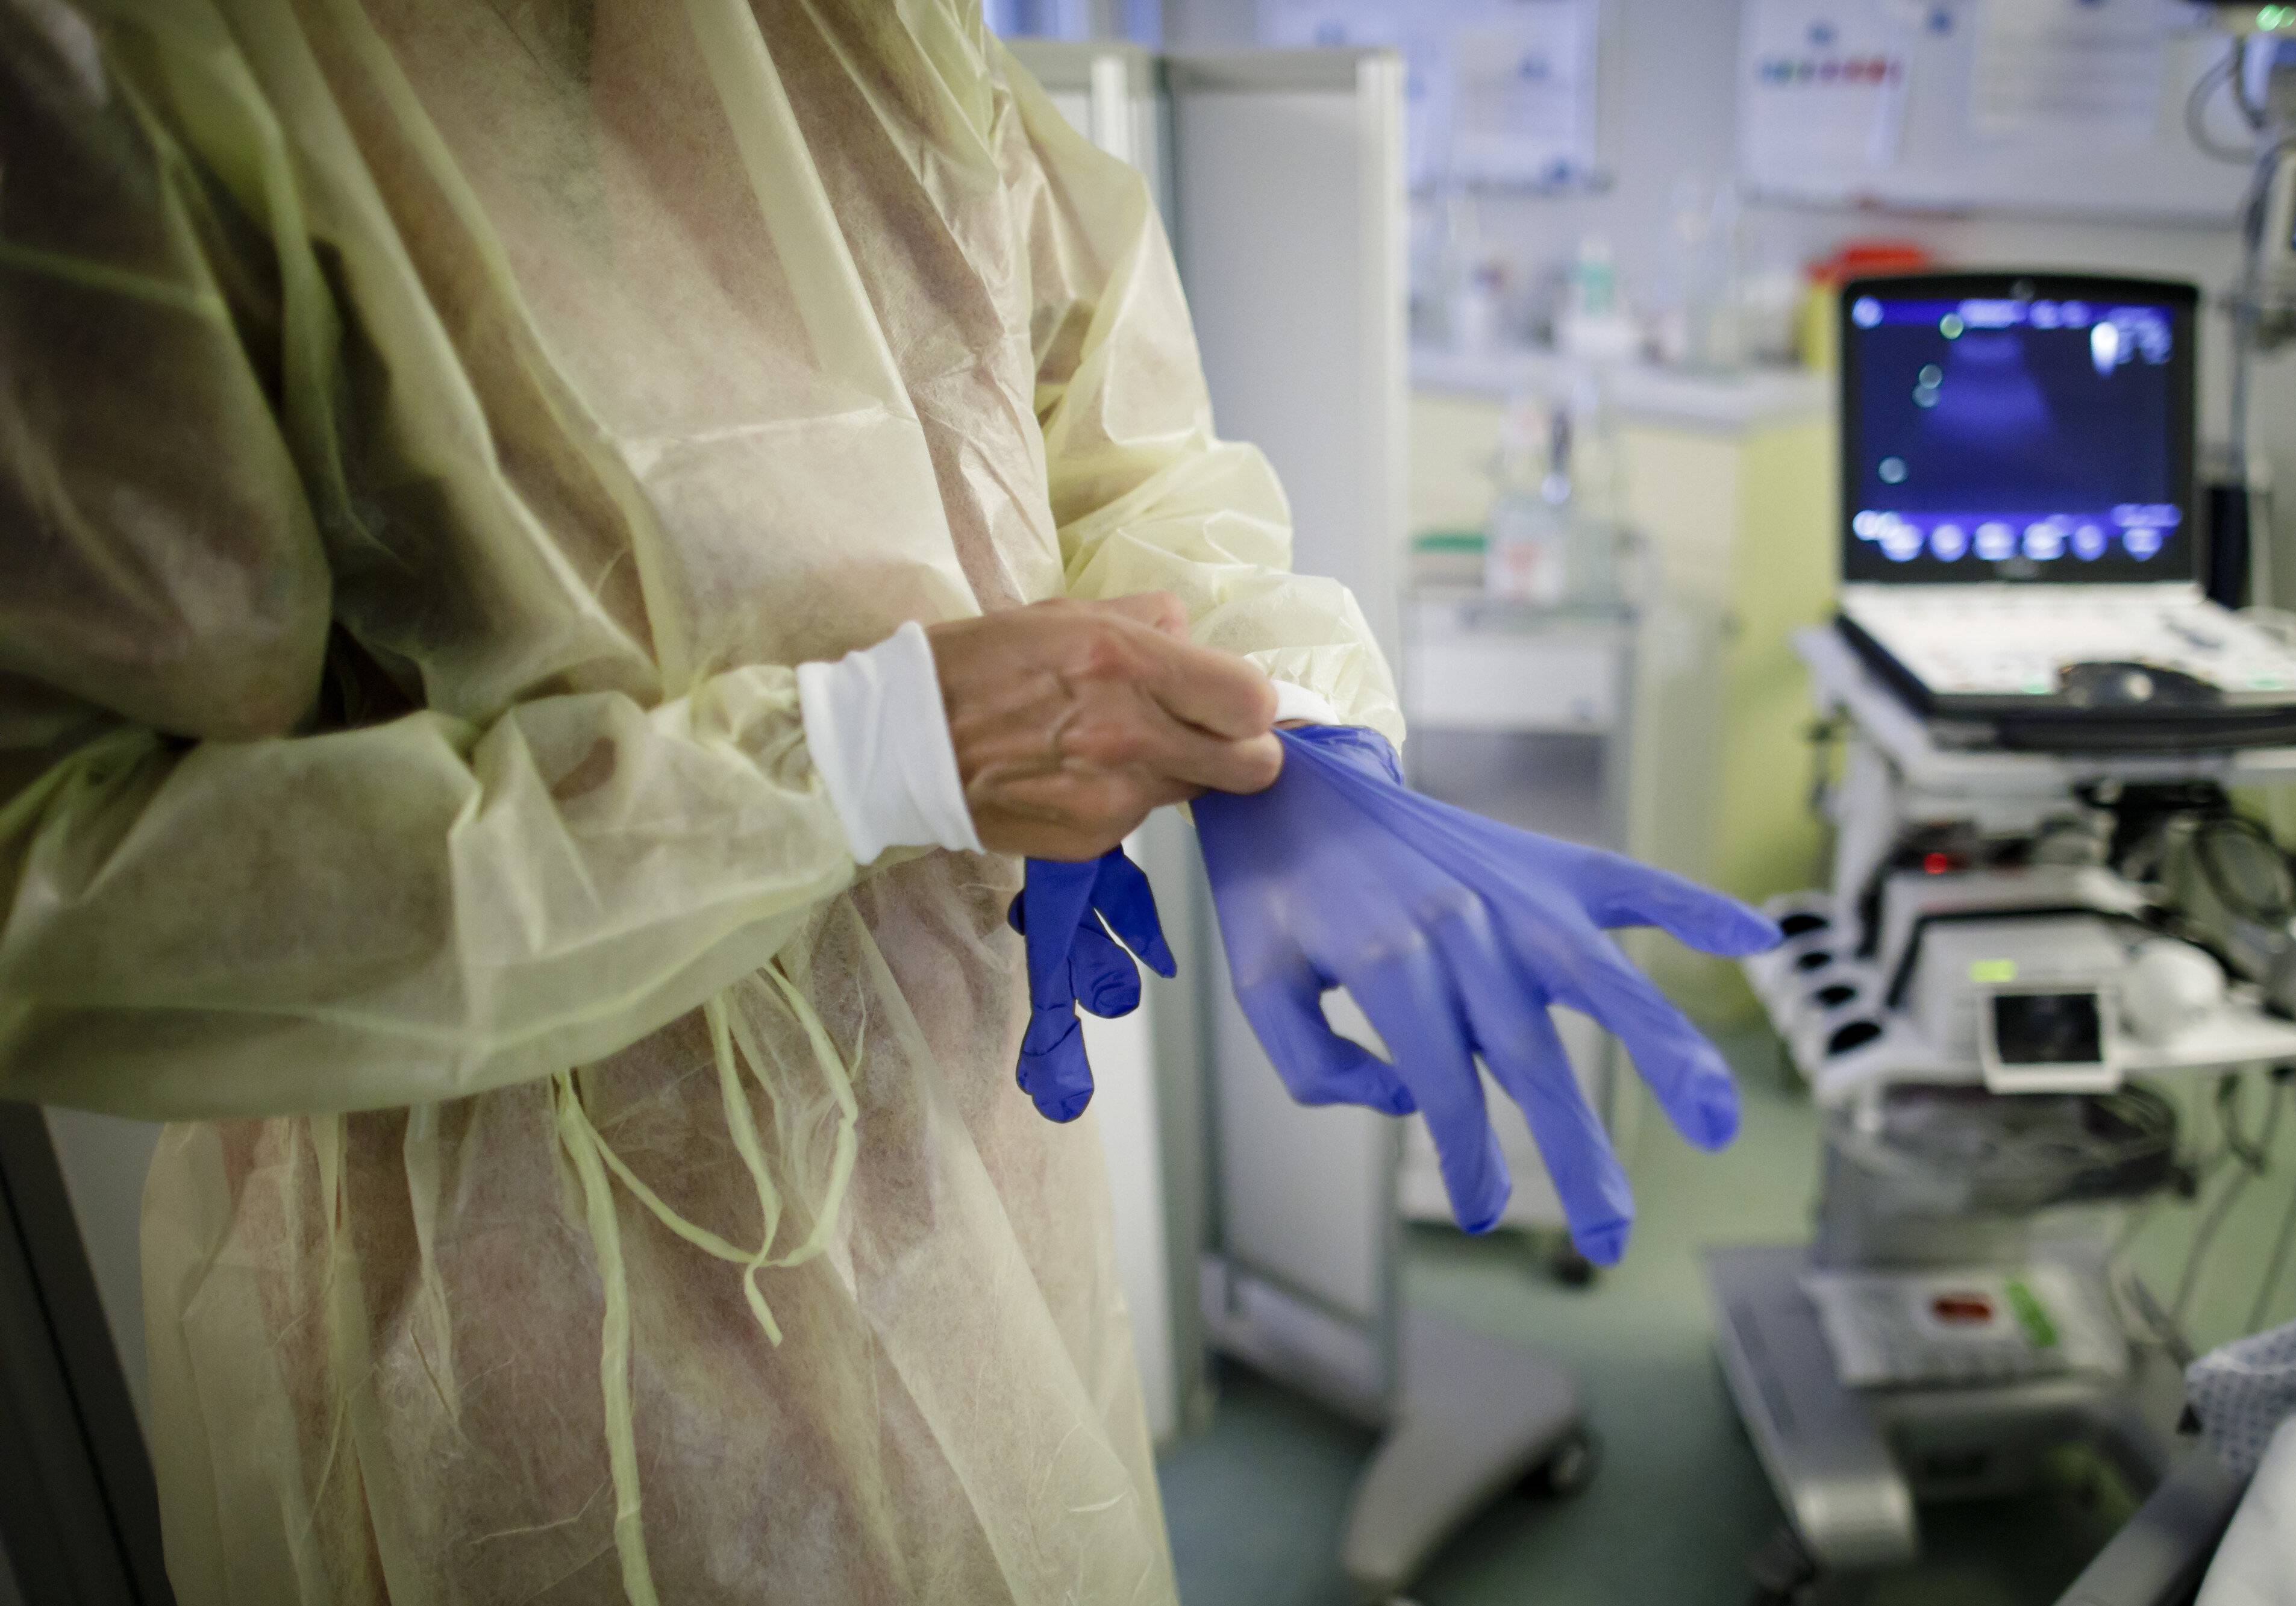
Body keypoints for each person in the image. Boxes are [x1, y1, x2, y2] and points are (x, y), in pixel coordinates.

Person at [0, 3, 1760, 1602]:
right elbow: (61, 876)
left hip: (957, 1130)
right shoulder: (125, 62)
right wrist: (847, 758)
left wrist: (1283, 738)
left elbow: (1108, 442)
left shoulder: (874, 29)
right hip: (514, 1266)